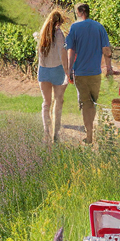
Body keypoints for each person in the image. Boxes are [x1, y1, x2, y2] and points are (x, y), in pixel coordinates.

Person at [65, 2, 117, 145]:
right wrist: (109, 68)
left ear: (80, 12)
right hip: (95, 73)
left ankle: (89, 135)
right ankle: (94, 131)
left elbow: (71, 50)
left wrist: (69, 70)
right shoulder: (99, 27)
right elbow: (106, 50)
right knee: (93, 103)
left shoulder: (74, 27)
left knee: (86, 103)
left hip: (80, 73)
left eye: (76, 12)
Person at [35, 9, 70, 144]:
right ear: (58, 23)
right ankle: (56, 133)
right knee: (58, 101)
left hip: (43, 71)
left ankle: (46, 133)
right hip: (57, 70)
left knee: (46, 103)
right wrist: (67, 70)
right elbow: (62, 52)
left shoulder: (42, 34)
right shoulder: (58, 33)